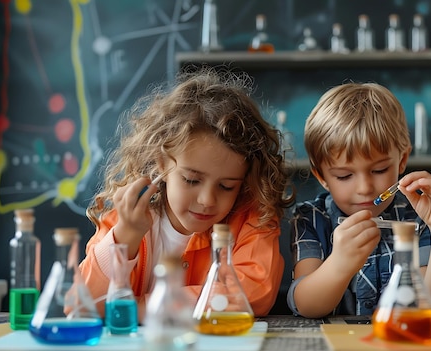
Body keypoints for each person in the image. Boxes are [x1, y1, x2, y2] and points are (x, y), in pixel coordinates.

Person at [80, 66, 295, 321]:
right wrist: (126, 236)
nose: (207, 200)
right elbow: (82, 305)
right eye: (191, 180)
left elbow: (255, 294)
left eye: (226, 186)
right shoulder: (128, 215)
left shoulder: (253, 218)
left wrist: (136, 309)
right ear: (161, 163)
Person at [288, 82, 431, 318]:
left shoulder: (418, 218)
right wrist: (340, 263)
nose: (365, 188)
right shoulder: (311, 219)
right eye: (344, 175)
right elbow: (307, 306)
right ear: (321, 176)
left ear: (402, 161)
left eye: (379, 170)